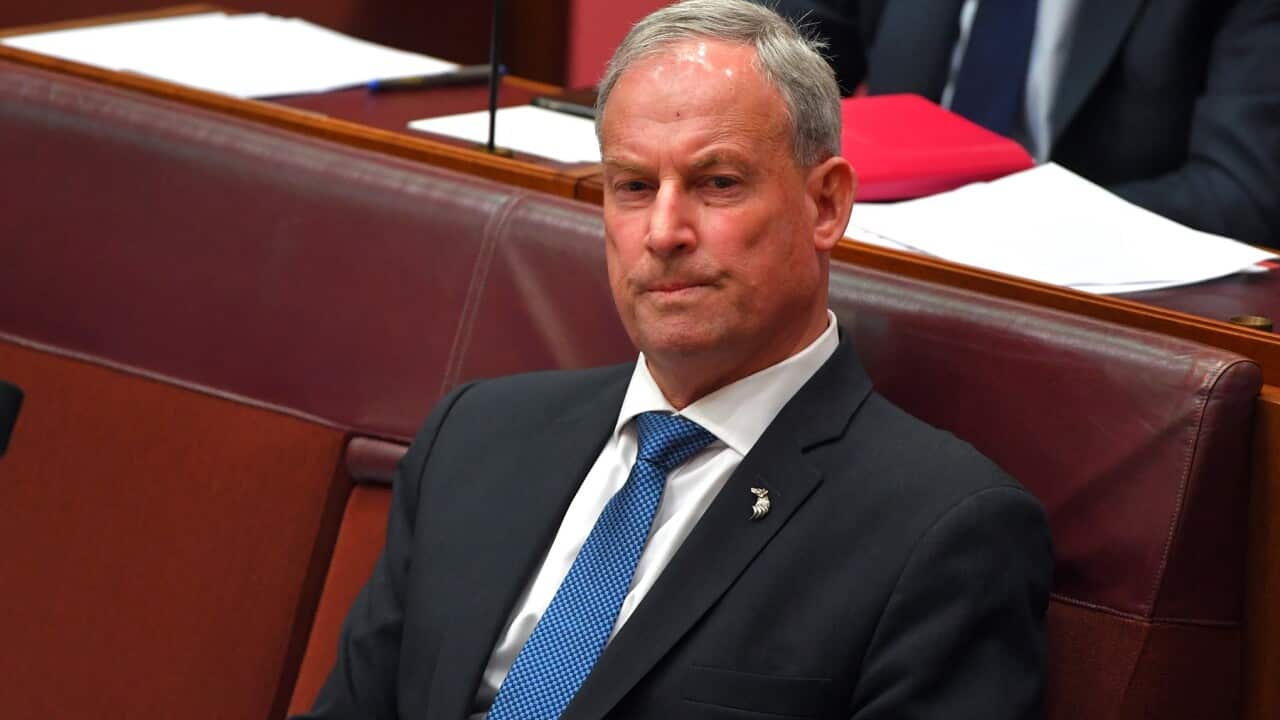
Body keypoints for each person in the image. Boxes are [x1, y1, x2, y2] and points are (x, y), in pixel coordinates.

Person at [298, 1, 1052, 718]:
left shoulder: (944, 532)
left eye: (716, 183)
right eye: (632, 187)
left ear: (825, 205)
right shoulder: (473, 438)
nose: (663, 232)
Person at [773, 0, 1280, 247]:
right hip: (877, 262)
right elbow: (767, 62)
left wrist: (1007, 224)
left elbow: (1242, 193)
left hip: (1086, 298)